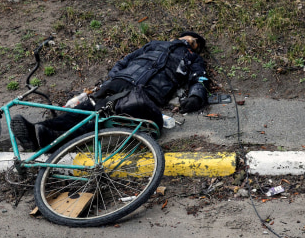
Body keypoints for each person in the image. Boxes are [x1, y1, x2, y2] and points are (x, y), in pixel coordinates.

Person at [11, 32, 209, 150]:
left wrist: (196, 96)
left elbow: (199, 79)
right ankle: (37, 130)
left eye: (194, 43)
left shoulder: (193, 59)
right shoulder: (156, 45)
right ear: (180, 36)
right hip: (119, 82)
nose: (191, 42)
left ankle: (50, 138)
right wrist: (114, 76)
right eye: (190, 38)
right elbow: (126, 60)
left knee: (104, 117)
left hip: (145, 92)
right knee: (85, 109)